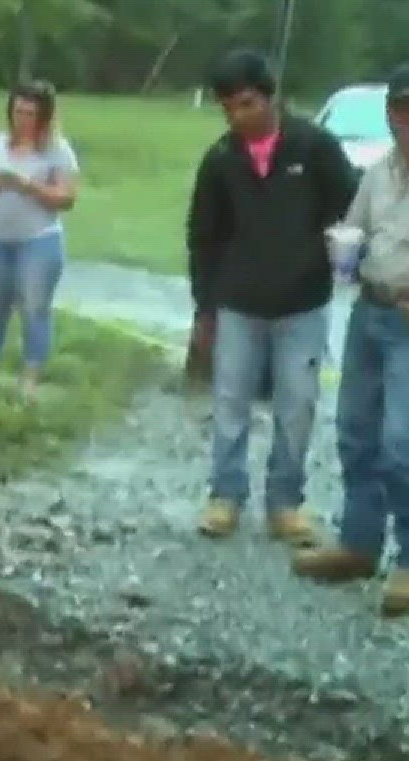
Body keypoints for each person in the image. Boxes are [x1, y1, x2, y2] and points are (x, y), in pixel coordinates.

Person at [186, 50, 360, 546]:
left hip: (302, 302)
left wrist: (342, 249)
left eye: (246, 104)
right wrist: (206, 305)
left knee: (298, 403)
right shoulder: (220, 159)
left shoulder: (316, 146)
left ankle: (285, 502)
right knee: (229, 401)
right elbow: (202, 235)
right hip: (238, 303)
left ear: (270, 96)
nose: (239, 118)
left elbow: (349, 206)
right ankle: (225, 494)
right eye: (229, 109)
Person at [292, 64, 409, 619]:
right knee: (356, 431)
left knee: (403, 444)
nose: (408, 119)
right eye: (402, 108)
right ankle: (359, 544)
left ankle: (408, 563)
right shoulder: (379, 173)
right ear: (391, 113)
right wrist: (344, 253)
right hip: (371, 311)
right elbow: (355, 229)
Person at [0, 81, 80, 399]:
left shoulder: (57, 151)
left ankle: (29, 381)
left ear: (44, 116)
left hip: (39, 240)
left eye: (31, 113)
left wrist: (30, 187)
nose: (23, 119)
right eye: (18, 111)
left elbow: (67, 198)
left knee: (34, 309)